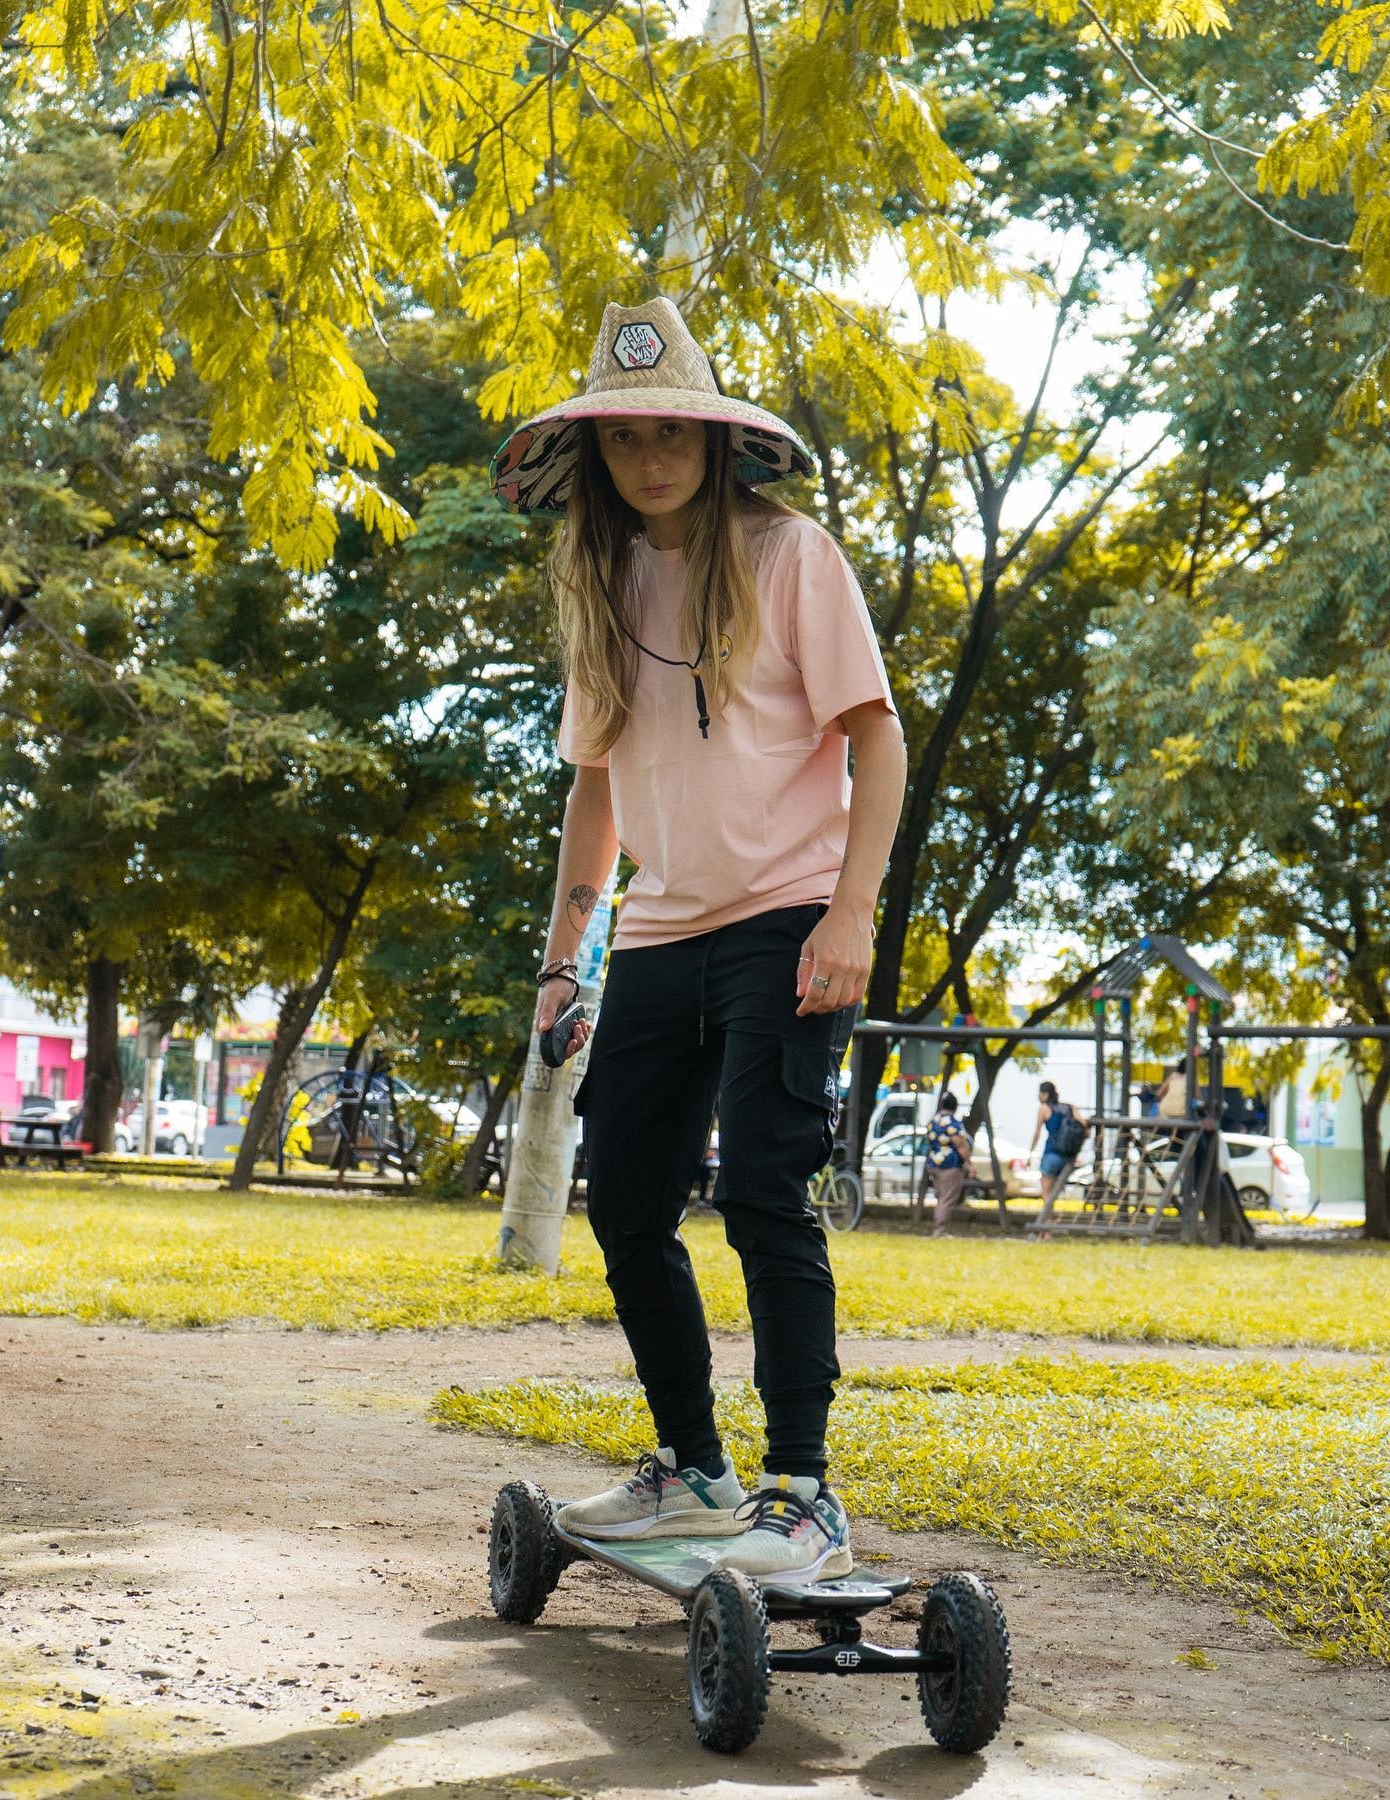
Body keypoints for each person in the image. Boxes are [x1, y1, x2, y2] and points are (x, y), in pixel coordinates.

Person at [496, 296, 907, 1578]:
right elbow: (596, 787)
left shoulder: (792, 557)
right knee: (624, 1204)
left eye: (675, 432)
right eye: (627, 441)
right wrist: (568, 959)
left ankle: (800, 1492)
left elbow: (876, 737)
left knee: (765, 1192)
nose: (653, 458)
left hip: (788, 914)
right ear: (600, 459)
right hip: (664, 930)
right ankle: (691, 1471)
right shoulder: (610, 582)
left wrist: (852, 910)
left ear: (717, 440)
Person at [924, 1089, 973, 1237]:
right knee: (947, 1199)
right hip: (949, 1165)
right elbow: (960, 1145)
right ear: (955, 1107)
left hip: (934, 1164)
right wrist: (969, 1163)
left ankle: (939, 1228)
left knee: (941, 1198)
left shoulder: (934, 1121)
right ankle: (940, 1230)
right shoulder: (952, 1124)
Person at [1029, 1081, 1080, 1203]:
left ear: (1045, 1094)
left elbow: (1036, 1135)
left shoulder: (1044, 1108)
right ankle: (1052, 1219)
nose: (1038, 1096)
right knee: (1055, 1191)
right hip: (1069, 1155)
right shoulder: (1070, 1107)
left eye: (1040, 1093)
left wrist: (1030, 1153)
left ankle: (1047, 1220)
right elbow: (1083, 1125)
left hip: (1052, 1153)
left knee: (1046, 1192)